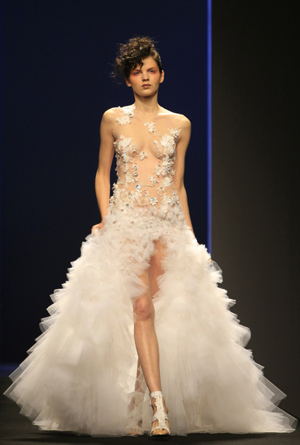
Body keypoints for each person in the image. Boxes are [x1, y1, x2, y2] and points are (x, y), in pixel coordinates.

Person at [4, 36, 297, 437]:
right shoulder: (113, 118)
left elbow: (178, 185)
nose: (145, 76)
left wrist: (190, 235)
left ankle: (147, 405)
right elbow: (101, 171)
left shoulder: (180, 124)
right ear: (128, 79)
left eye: (151, 70)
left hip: (166, 224)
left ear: (162, 75)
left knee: (158, 313)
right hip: (127, 221)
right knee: (140, 309)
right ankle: (157, 409)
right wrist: (106, 218)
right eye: (137, 71)